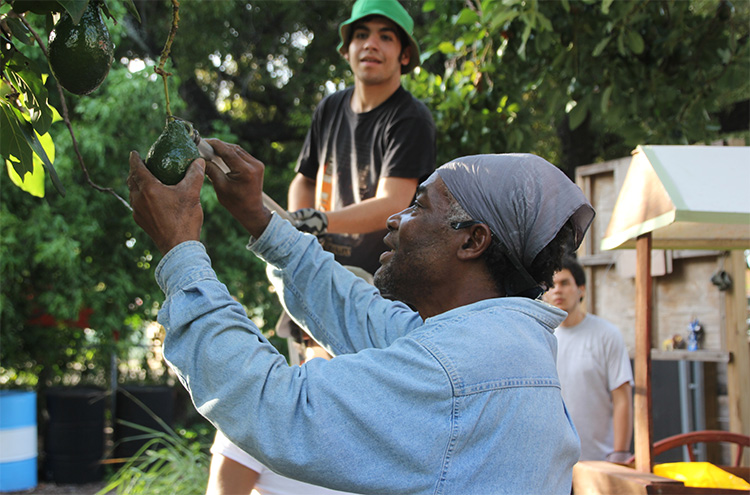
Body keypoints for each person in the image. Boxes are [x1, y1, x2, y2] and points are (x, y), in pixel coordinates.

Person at [127, 145, 596, 494]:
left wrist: (181, 252)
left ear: (472, 241)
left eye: (418, 206)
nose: (395, 218)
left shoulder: (460, 370)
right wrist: (260, 219)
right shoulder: (495, 345)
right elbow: (363, 315)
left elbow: (275, 407)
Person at [209, 0, 435, 490]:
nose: (370, 43)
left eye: (385, 36)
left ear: (404, 55)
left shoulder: (410, 118)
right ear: (347, 48)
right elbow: (302, 182)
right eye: (361, 34)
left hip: (376, 292)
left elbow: (395, 200)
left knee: (363, 409)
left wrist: (315, 223)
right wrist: (294, 230)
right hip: (314, 273)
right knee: (308, 396)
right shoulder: (330, 108)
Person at [542, 257, 634, 463]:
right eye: (551, 285)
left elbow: (622, 397)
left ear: (581, 289)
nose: (557, 290)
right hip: (551, 462)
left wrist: (620, 452)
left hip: (598, 459)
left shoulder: (606, 334)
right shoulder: (540, 337)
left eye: (565, 283)